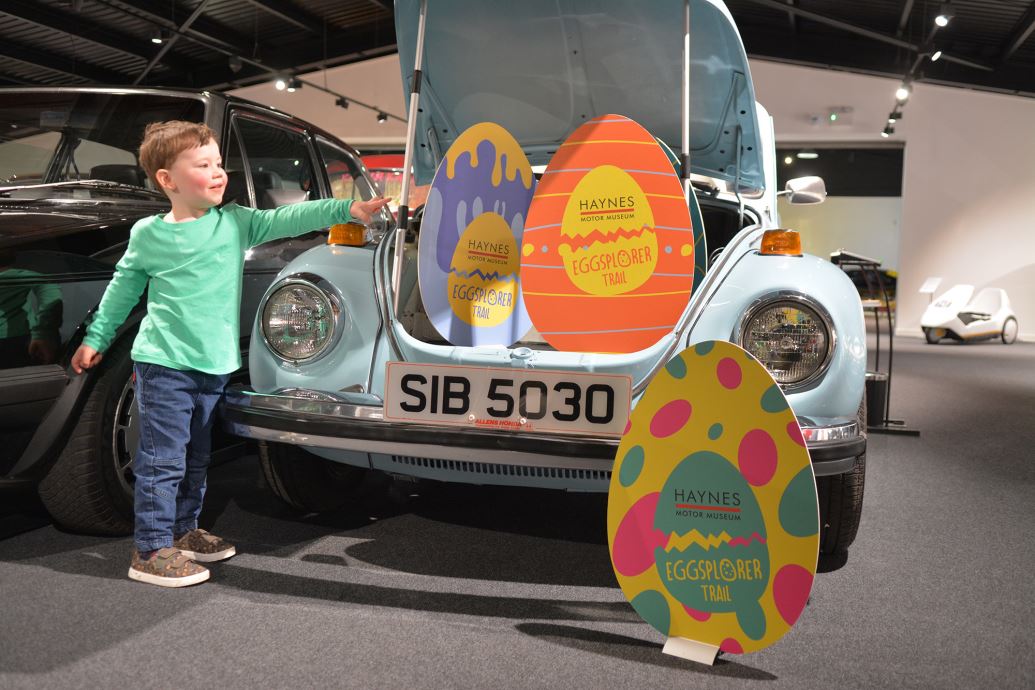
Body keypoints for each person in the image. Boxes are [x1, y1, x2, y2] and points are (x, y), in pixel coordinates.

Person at [70, 121, 390, 587]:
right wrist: (96, 339)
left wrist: (349, 207)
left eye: (220, 164)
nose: (219, 173)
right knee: (162, 459)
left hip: (214, 366)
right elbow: (122, 291)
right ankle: (151, 549)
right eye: (204, 165)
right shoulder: (148, 235)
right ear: (167, 180)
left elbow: (291, 218)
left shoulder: (235, 222)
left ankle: (183, 531)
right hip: (164, 365)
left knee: (198, 456)